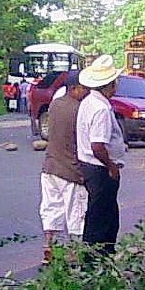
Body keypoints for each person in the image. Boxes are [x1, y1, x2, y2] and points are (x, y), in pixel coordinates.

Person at [76, 55, 126, 254]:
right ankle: (97, 259)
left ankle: (96, 257)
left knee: (102, 213)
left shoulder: (88, 102)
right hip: (99, 168)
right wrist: (111, 166)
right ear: (109, 85)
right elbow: (97, 145)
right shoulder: (101, 109)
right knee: (102, 218)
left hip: (89, 165)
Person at [40, 70, 89, 264]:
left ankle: (48, 246)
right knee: (76, 212)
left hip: (50, 166)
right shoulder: (79, 110)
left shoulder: (55, 105)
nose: (87, 92)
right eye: (84, 88)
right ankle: (75, 252)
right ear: (75, 88)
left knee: (51, 208)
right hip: (70, 170)